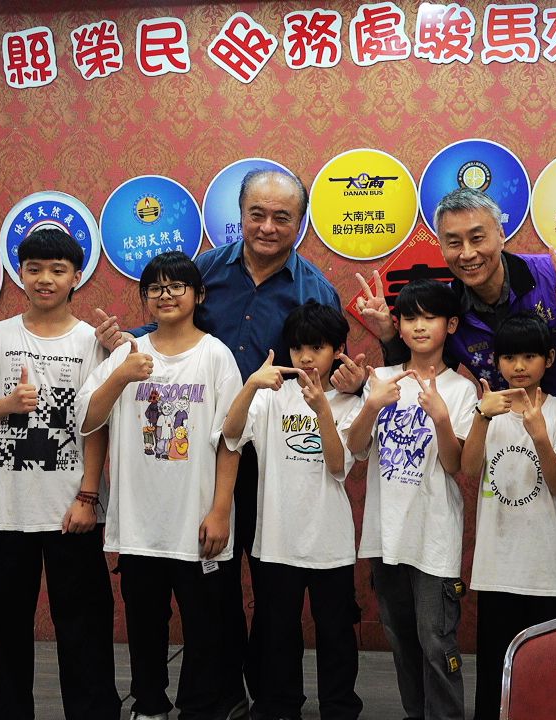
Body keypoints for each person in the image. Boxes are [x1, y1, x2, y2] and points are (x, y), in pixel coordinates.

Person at [93, 170, 358, 717]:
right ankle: (222, 692)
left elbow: (330, 369)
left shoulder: (315, 290)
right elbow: (169, 328)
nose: (268, 226)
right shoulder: (207, 271)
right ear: (240, 215)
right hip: (197, 453)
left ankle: (269, 696)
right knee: (210, 582)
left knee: (271, 582)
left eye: (282, 217)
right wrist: (124, 342)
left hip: (277, 459)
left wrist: (354, 384)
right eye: (257, 214)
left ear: (300, 223)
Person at [354, 187, 556, 585]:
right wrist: (389, 334)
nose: (468, 253)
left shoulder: (551, 274)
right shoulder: (451, 308)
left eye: (477, 237)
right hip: (510, 449)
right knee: (526, 556)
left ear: (501, 235)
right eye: (454, 242)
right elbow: (426, 369)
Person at [0, 227, 121, 720]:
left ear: (76, 276)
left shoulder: (90, 341)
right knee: (2, 620)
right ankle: (5, 710)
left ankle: (93, 712)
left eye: (57, 270)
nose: (45, 279)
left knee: (84, 623)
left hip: (71, 509)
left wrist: (88, 497)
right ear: (20, 274)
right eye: (34, 269)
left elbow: (97, 425)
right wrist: (8, 404)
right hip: (5, 510)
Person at [77, 251, 243, 720]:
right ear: (145, 297)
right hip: (140, 525)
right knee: (144, 623)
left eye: (176, 286)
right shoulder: (127, 354)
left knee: (204, 626)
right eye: (155, 288)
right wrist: (121, 376)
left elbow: (231, 440)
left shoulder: (216, 356)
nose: (165, 295)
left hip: (196, 523)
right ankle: (149, 704)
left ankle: (198, 707)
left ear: (199, 295)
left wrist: (221, 511)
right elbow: (88, 420)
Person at [343, 279, 478, 720]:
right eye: (410, 317)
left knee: (437, 641)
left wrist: (441, 418)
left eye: (430, 317)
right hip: (386, 534)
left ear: (450, 324)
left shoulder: (461, 390)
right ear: (397, 326)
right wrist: (372, 405)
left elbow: (455, 465)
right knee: (400, 638)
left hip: (434, 535)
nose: (419, 326)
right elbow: (357, 449)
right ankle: (415, 713)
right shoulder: (381, 379)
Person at [223, 301, 364, 720]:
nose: (305, 357)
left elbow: (338, 466)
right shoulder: (273, 397)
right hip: (277, 540)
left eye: (317, 347)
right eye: (298, 347)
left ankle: (339, 708)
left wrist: (322, 409)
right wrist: (251, 386)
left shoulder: (350, 402)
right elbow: (230, 434)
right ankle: (279, 706)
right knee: (278, 633)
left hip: (330, 543)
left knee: (336, 633)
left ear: (338, 350)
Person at [459, 312, 556, 720]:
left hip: (548, 567)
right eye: (509, 357)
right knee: (496, 676)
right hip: (497, 566)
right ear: (497, 361)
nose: (519, 366)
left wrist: (539, 434)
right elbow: (468, 468)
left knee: (547, 676)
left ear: (549, 359)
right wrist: (482, 415)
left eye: (530, 356)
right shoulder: (486, 410)